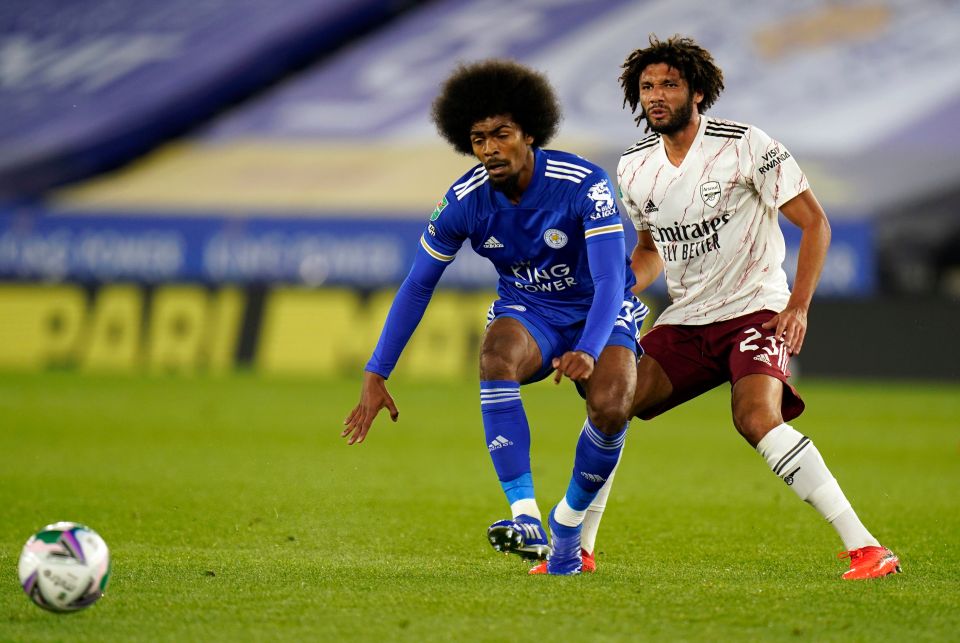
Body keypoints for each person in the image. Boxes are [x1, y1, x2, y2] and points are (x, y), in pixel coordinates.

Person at [533, 34, 900, 579]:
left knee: (755, 418)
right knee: (613, 403)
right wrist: (618, 287)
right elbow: (650, 250)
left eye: (669, 85)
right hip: (685, 319)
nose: (657, 95)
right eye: (648, 87)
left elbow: (816, 223)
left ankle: (867, 548)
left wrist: (798, 306)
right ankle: (578, 549)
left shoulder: (746, 145)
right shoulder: (634, 168)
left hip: (756, 309)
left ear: (697, 92)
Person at [341, 59, 647, 575]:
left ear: (529, 132)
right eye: (478, 138)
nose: (489, 148)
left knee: (612, 409)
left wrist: (588, 350)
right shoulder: (463, 201)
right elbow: (418, 285)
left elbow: (612, 280)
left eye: (501, 134)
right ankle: (524, 516)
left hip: (600, 308)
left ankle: (568, 524)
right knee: (495, 356)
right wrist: (376, 372)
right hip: (530, 310)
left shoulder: (584, 184)